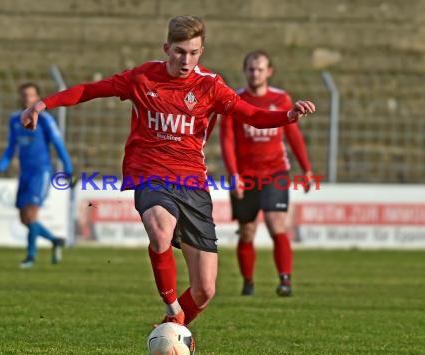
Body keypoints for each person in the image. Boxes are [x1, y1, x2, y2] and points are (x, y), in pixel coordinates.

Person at [20, 16, 315, 325]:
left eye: (193, 52)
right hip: (149, 172)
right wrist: (43, 104)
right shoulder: (143, 78)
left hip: (191, 181)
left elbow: (252, 115)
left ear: (201, 51)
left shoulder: (211, 86)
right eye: (179, 51)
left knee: (205, 290)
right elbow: (91, 90)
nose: (185, 60)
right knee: (160, 231)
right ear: (166, 48)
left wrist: (288, 115)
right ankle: (173, 308)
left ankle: (169, 328)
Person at [220, 50, 313, 297]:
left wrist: (307, 169)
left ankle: (285, 280)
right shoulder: (233, 100)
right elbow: (227, 140)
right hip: (246, 175)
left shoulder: (281, 99)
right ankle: (248, 282)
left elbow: (293, 135)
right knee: (247, 230)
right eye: (251, 69)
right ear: (245, 71)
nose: (255, 73)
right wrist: (233, 174)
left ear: (269, 72)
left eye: (260, 69)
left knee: (276, 223)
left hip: (275, 172)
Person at [0, 83, 73, 269]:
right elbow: (11, 148)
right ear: (20, 98)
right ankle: (55, 240)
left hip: (41, 172)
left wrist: (69, 170)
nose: (27, 99)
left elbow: (58, 146)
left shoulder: (45, 120)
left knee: (31, 214)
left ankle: (30, 257)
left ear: (37, 98)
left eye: (31, 95)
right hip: (25, 173)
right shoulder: (15, 120)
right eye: (24, 95)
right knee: (24, 218)